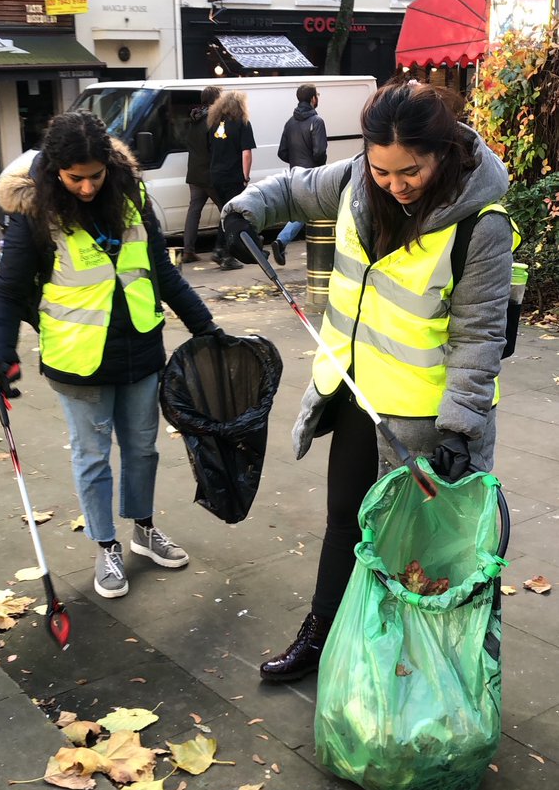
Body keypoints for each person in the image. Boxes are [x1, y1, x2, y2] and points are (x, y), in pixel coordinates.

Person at [222, 82, 514, 683]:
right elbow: (295, 189)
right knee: (344, 523)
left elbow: (480, 337)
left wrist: (460, 428)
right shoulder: (358, 181)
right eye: (382, 170)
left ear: (443, 151)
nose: (394, 184)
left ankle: (427, 672)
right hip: (356, 394)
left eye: (410, 170)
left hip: (428, 422)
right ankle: (323, 635)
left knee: (424, 554)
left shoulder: (479, 226)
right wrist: (247, 207)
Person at [0, 111, 221, 600]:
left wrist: (207, 328)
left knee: (143, 449)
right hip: (77, 359)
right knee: (93, 457)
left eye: (96, 176)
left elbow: (162, 272)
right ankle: (106, 544)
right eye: (76, 178)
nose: (88, 187)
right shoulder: (32, 212)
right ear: (54, 172)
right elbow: (7, 293)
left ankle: (143, 528)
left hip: (139, 348)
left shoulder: (131, 196)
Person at [272, 83, 327, 266]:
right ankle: (282, 241)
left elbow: (282, 152)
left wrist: (295, 162)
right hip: (312, 173)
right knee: (309, 210)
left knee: (306, 210)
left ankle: (288, 242)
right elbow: (320, 152)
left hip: (295, 172)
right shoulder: (317, 122)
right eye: (316, 95)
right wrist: (315, 166)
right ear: (313, 99)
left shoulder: (290, 122)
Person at [208, 90, 256, 271]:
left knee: (225, 213)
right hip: (233, 176)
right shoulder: (242, 123)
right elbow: (246, 153)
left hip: (216, 175)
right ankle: (227, 255)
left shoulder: (215, 124)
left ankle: (219, 249)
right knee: (233, 216)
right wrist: (245, 177)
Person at [182, 85, 222, 264]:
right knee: (228, 209)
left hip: (194, 173)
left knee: (194, 211)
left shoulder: (193, 118)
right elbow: (217, 146)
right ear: (216, 99)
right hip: (211, 173)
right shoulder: (214, 120)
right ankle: (222, 250)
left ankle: (188, 250)